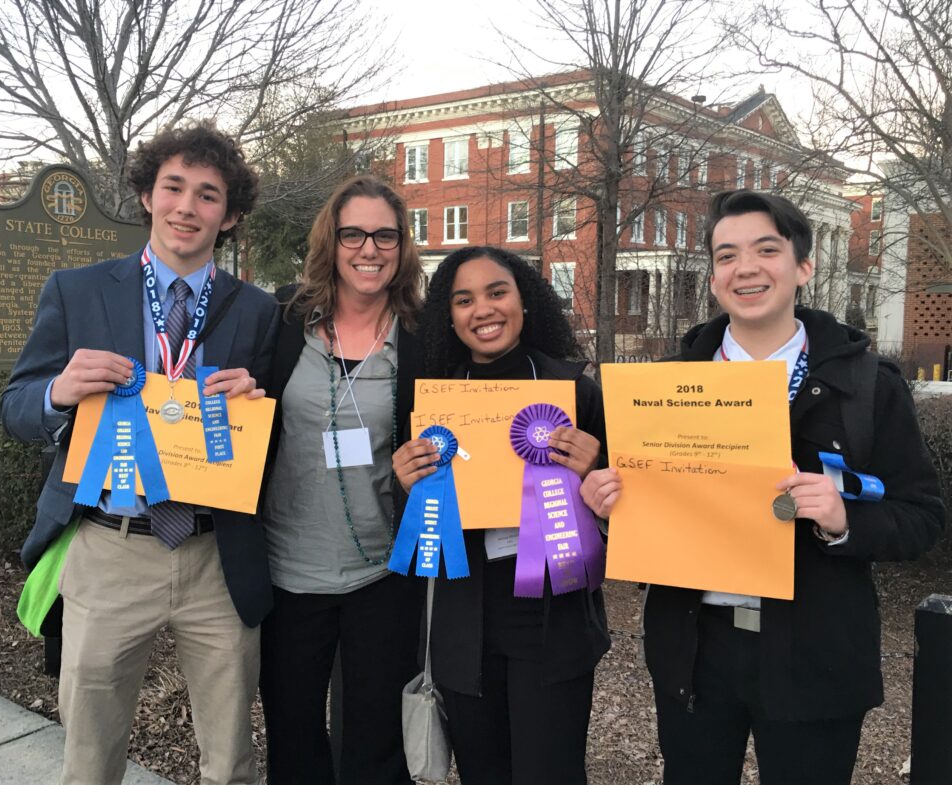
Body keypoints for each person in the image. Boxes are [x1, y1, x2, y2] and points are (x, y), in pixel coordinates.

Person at [581, 190, 945, 785]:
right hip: (694, 652)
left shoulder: (866, 385)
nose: (745, 267)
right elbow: (641, 511)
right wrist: (605, 509)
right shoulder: (663, 388)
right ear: (714, 277)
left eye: (766, 249)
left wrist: (843, 519)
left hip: (817, 648)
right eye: (727, 256)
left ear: (803, 266)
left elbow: (923, 517)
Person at [0, 122, 279, 785]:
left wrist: (258, 400)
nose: (187, 206)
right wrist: (61, 391)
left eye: (208, 195)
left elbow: (275, 443)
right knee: (89, 756)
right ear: (147, 196)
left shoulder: (261, 312)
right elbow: (16, 407)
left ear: (230, 214)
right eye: (173, 187)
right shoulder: (77, 289)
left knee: (230, 758)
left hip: (216, 552)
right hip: (110, 547)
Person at [392, 246, 611, 785]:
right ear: (449, 315)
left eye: (497, 292)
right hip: (465, 618)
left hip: (551, 619)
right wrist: (407, 484)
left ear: (525, 300)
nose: (482, 310)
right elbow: (420, 527)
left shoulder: (577, 392)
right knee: (483, 772)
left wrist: (595, 472)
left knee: (550, 773)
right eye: (464, 300)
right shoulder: (437, 403)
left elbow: (624, 511)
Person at [259, 175, 426, 785]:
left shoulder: (422, 335)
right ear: (331, 240)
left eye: (386, 235)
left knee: (376, 741)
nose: (370, 248)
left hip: (383, 573)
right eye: (353, 233)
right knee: (293, 732)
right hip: (287, 571)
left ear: (403, 245)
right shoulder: (279, 321)